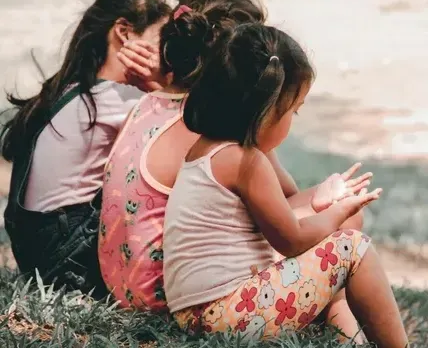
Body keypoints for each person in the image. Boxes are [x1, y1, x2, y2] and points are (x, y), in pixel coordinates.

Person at [99, 0, 371, 342]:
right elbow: (286, 215)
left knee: (332, 213)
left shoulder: (151, 102)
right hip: (171, 293)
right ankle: (343, 327)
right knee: (347, 218)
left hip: (128, 280)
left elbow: (280, 197)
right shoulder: (212, 130)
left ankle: (340, 321)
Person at [163, 23, 409, 348]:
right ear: (265, 110)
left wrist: (323, 204)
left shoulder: (207, 149)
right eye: (293, 110)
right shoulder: (245, 161)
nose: (293, 120)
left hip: (196, 314)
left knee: (332, 247)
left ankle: (351, 339)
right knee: (354, 247)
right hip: (229, 314)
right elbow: (292, 240)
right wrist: (339, 212)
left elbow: (281, 216)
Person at [0, 0, 171, 298]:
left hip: (39, 254)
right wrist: (160, 86)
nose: (164, 55)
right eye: (160, 41)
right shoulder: (115, 100)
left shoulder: (72, 90)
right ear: (124, 32)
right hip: (68, 264)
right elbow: (186, 132)